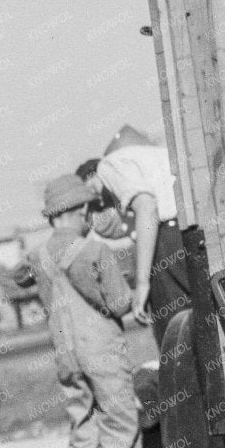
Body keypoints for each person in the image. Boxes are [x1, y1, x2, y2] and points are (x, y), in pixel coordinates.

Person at [22, 174, 145, 448]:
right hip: (102, 351)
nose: (89, 217)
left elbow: (12, 282)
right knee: (120, 423)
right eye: (87, 210)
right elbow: (120, 302)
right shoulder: (95, 251)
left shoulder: (37, 256)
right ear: (77, 210)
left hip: (66, 357)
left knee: (83, 428)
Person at [92, 125, 189, 332]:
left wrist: (142, 282)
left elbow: (146, 206)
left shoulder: (109, 165)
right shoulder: (162, 154)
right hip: (189, 232)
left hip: (166, 243)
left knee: (177, 331)